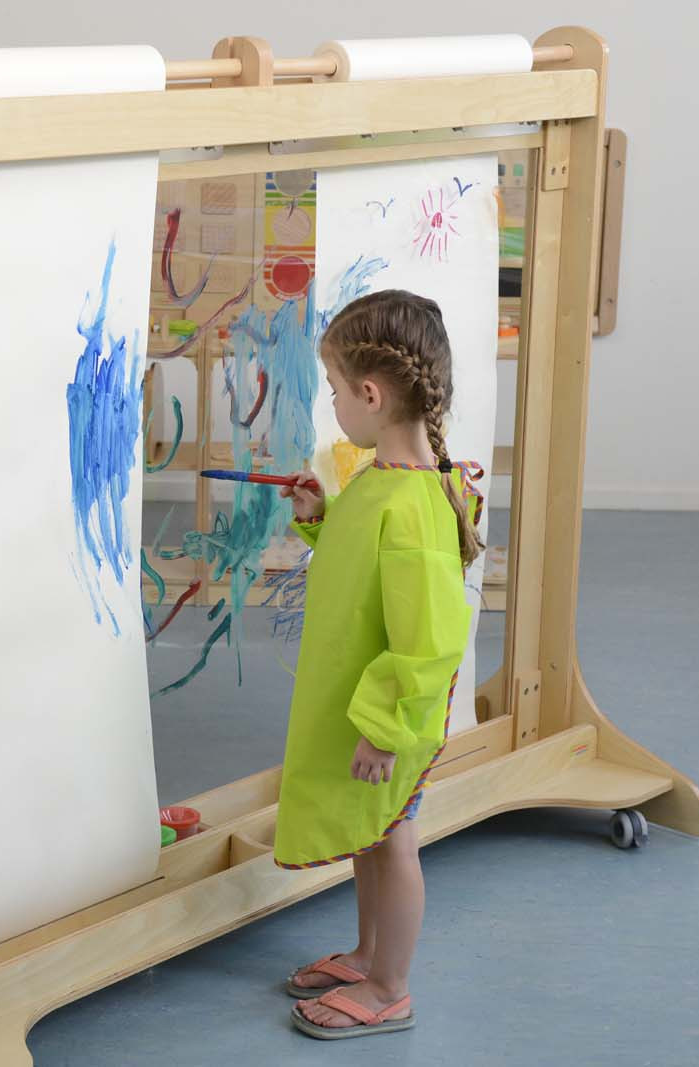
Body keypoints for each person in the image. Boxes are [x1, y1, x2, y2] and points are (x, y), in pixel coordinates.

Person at [273, 289, 484, 1040]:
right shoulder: (382, 480)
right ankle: (367, 957)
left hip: (391, 716)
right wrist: (319, 519)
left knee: (393, 839)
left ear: (370, 394)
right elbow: (360, 568)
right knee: (373, 830)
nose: (332, 403)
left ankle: (391, 987)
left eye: (334, 389)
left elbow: (428, 638)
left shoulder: (412, 504)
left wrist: (387, 726)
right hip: (366, 704)